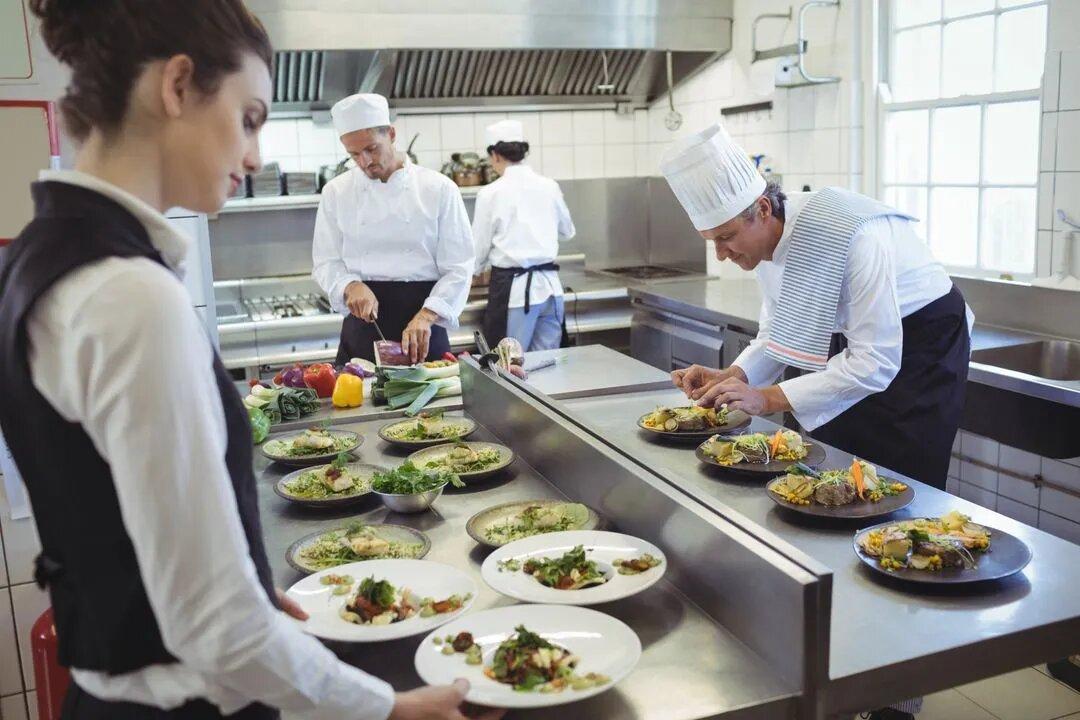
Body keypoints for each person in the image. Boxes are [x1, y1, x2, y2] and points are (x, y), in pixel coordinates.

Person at [0, 3, 499, 719]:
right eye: (250, 116)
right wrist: (390, 707)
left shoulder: (41, 261)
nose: (256, 156)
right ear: (177, 87)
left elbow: (109, 518)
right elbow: (217, 628)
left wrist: (234, 576)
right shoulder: (132, 296)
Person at [661, 123, 972, 494]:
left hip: (921, 343)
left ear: (762, 209)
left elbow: (874, 362)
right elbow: (779, 328)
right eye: (712, 241)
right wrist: (735, 375)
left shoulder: (854, 237)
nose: (722, 254)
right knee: (827, 463)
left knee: (896, 479)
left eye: (726, 237)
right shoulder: (765, 242)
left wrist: (767, 398)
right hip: (852, 339)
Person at [313, 93, 474, 365]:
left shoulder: (438, 188)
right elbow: (325, 262)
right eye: (354, 154)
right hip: (363, 326)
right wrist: (350, 286)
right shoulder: (336, 192)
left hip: (423, 325)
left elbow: (459, 266)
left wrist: (427, 316)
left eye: (372, 149)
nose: (364, 161)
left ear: (391, 133)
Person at [472, 119, 576, 350]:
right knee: (548, 365)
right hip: (551, 290)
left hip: (514, 292)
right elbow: (568, 232)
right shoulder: (549, 186)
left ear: (495, 155)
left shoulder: (491, 193)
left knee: (509, 367)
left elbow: (478, 248)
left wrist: (472, 273)